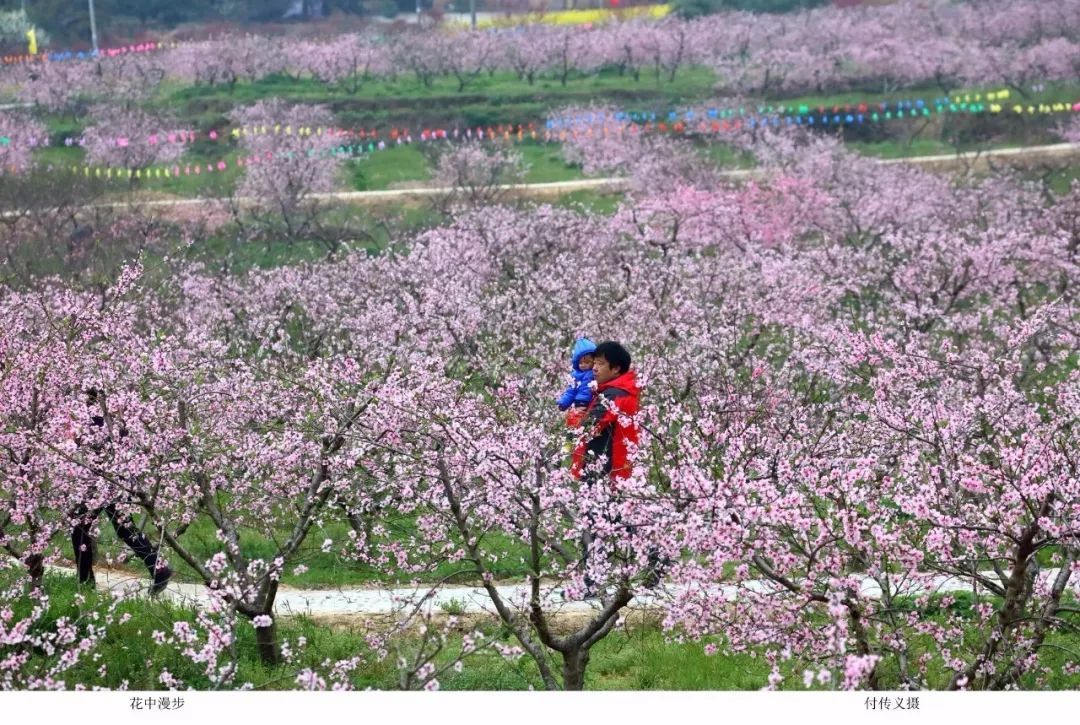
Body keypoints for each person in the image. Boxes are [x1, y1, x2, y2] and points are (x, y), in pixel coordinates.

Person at [71, 389, 172, 595]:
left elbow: (89, 444)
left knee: (79, 525)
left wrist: (76, 437)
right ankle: (159, 569)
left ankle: (85, 583)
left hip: (104, 480)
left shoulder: (96, 414)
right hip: (116, 477)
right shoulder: (115, 412)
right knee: (124, 528)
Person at [569, 341, 643, 598]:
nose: (595, 369)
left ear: (616, 368)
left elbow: (589, 427)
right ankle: (656, 561)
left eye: (600, 364)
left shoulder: (613, 395)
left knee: (595, 524)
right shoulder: (620, 391)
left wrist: (571, 417)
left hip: (604, 470)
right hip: (614, 470)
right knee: (621, 525)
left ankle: (591, 585)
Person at [555, 337, 596, 430]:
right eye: (580, 363)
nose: (583, 365)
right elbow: (571, 391)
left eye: (587, 362)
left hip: (591, 400)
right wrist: (564, 402)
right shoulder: (576, 375)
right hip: (580, 401)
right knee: (575, 420)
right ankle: (571, 434)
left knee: (586, 422)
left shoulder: (595, 372)